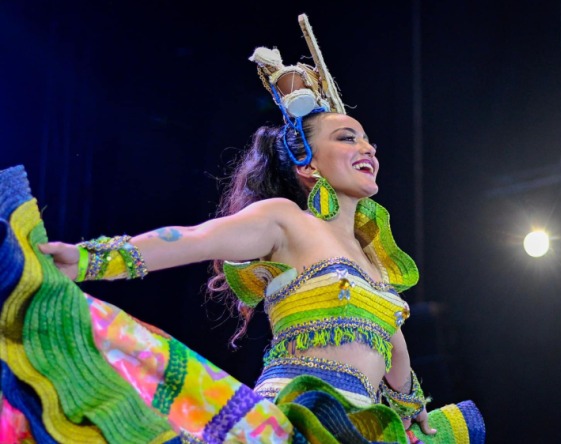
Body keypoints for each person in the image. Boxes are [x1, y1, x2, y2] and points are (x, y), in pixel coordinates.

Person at [0, 14, 484, 444]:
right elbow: (191, 240)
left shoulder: (376, 264)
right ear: (309, 166)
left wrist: (409, 406)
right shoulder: (285, 220)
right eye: (347, 137)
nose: (368, 149)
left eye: (368, 140)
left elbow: (394, 348)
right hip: (290, 419)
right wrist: (90, 258)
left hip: (359, 429)